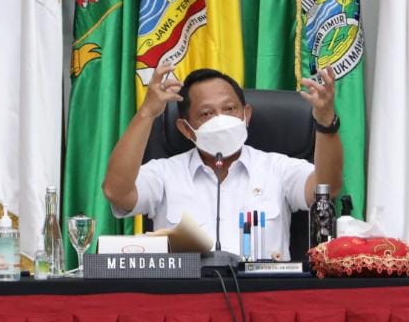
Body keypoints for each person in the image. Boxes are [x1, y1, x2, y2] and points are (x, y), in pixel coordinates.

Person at [102, 64, 343, 260]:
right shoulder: (165, 173)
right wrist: (146, 113)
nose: (221, 119)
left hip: (263, 296)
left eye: (229, 109)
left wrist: (325, 123)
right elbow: (116, 192)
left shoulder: (276, 168)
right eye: (206, 113)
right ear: (185, 129)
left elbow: (327, 188)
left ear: (246, 115)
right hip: (185, 298)